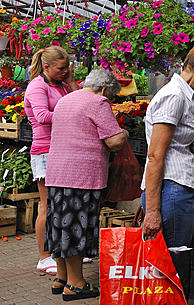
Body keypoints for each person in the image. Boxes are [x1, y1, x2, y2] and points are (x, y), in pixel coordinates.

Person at [141, 44, 194, 305]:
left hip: (179, 189)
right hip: (171, 191)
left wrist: (193, 146)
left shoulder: (184, 96)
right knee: (175, 264)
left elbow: (171, 145)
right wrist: (152, 210)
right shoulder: (174, 95)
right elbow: (155, 155)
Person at [45, 68, 128, 300]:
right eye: (110, 95)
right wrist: (125, 134)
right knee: (75, 227)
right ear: (104, 89)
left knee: (59, 225)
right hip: (81, 176)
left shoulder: (66, 99)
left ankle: (61, 278)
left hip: (57, 171)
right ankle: (76, 284)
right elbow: (113, 141)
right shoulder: (98, 102)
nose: (108, 99)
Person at [23, 46, 80, 273]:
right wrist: (75, 115)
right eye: (61, 68)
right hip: (45, 151)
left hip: (63, 149)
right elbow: (42, 116)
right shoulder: (37, 86)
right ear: (46, 67)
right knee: (48, 206)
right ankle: (44, 256)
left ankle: (67, 254)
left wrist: (72, 80)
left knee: (64, 204)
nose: (65, 71)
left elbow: (80, 99)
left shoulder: (63, 85)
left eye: (67, 67)